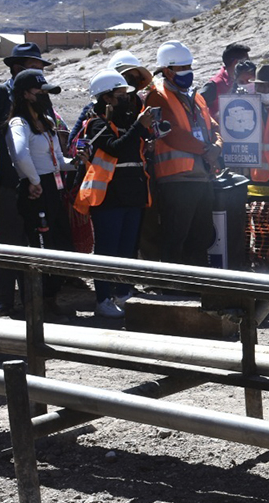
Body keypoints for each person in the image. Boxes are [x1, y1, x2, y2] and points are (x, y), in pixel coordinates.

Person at [0, 42, 52, 316]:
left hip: (32, 183)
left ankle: (31, 304)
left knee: (31, 240)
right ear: (18, 69)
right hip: (7, 184)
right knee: (10, 241)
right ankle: (4, 304)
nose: (41, 78)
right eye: (36, 70)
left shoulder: (40, 98)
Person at [73, 70, 153, 318]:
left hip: (132, 195)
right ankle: (103, 298)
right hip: (108, 198)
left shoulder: (127, 122)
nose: (127, 99)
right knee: (107, 250)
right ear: (106, 98)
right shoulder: (96, 124)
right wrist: (139, 127)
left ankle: (122, 291)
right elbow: (115, 149)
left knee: (126, 249)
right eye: (121, 95)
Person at [144, 40, 222, 266]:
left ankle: (195, 285)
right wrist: (206, 151)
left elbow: (213, 126)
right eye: (182, 68)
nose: (188, 72)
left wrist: (217, 145)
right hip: (176, 181)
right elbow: (170, 132)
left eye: (189, 66)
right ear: (167, 71)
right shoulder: (157, 97)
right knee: (175, 236)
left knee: (201, 235)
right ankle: (172, 287)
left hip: (202, 177)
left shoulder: (196, 97)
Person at [7, 68, 75, 320]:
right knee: (39, 245)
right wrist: (34, 180)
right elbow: (19, 153)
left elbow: (58, 159)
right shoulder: (19, 123)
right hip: (37, 189)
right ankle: (35, 303)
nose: (45, 96)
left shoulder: (46, 122)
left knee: (58, 243)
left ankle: (50, 298)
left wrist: (76, 162)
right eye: (40, 92)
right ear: (25, 94)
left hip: (53, 188)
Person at [70, 50, 152, 143]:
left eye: (138, 78)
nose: (133, 82)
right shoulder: (95, 109)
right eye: (129, 77)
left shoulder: (137, 103)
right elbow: (74, 140)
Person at [199, 42, 250, 118]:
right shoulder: (214, 85)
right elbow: (198, 110)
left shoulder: (247, 80)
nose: (249, 65)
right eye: (247, 61)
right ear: (236, 62)